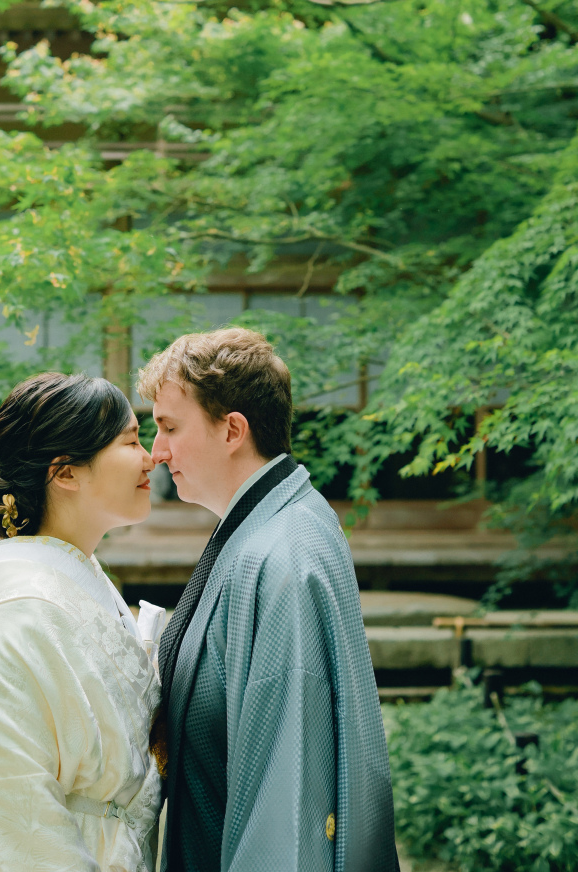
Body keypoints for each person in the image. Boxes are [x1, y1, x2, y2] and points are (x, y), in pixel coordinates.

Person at [138, 327, 399, 872]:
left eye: (168, 427)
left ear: (232, 429)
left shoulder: (282, 556)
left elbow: (291, 795)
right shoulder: (269, 526)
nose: (157, 452)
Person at [0, 372, 166, 872]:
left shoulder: (76, 587)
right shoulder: (14, 616)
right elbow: (11, 810)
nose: (153, 456)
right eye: (131, 441)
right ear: (65, 473)